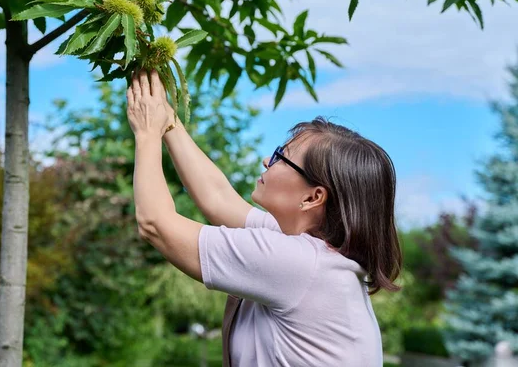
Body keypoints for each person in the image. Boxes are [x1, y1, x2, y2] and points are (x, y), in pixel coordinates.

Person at [127, 70, 402, 367]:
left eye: (281, 156)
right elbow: (218, 199)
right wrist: (168, 121)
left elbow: (156, 224)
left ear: (313, 197)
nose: (266, 161)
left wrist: (146, 133)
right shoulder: (309, 251)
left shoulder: (300, 264)